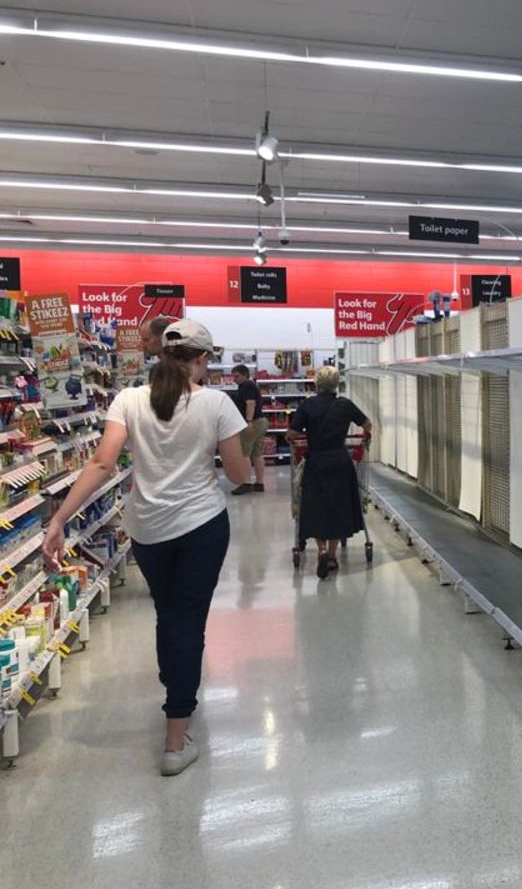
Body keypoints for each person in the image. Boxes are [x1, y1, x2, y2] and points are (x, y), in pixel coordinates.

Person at [42, 319, 250, 776]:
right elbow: (239, 476)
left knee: (169, 614)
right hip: (201, 526)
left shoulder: (128, 400)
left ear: (161, 355)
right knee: (187, 622)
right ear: (202, 360)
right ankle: (176, 739)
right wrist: (253, 450)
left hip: (148, 529)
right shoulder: (217, 403)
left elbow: (101, 463)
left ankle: (174, 685)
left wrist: (58, 520)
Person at [287, 365, 371, 580]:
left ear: (316, 384)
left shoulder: (307, 405)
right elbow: (367, 423)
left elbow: (293, 433)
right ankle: (332, 556)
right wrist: (366, 434)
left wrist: (292, 436)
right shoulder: (344, 405)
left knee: (316, 506)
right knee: (338, 506)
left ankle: (321, 550)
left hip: (316, 461)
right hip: (340, 461)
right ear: (336, 384)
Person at [230, 364, 267, 494]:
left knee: (244, 453)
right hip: (261, 421)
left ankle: (246, 483)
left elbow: (250, 403)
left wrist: (248, 421)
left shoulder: (246, 385)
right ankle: (259, 483)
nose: (234, 379)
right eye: (233, 376)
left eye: (237, 376)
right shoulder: (251, 385)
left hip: (253, 422)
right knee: (257, 454)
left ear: (245, 375)